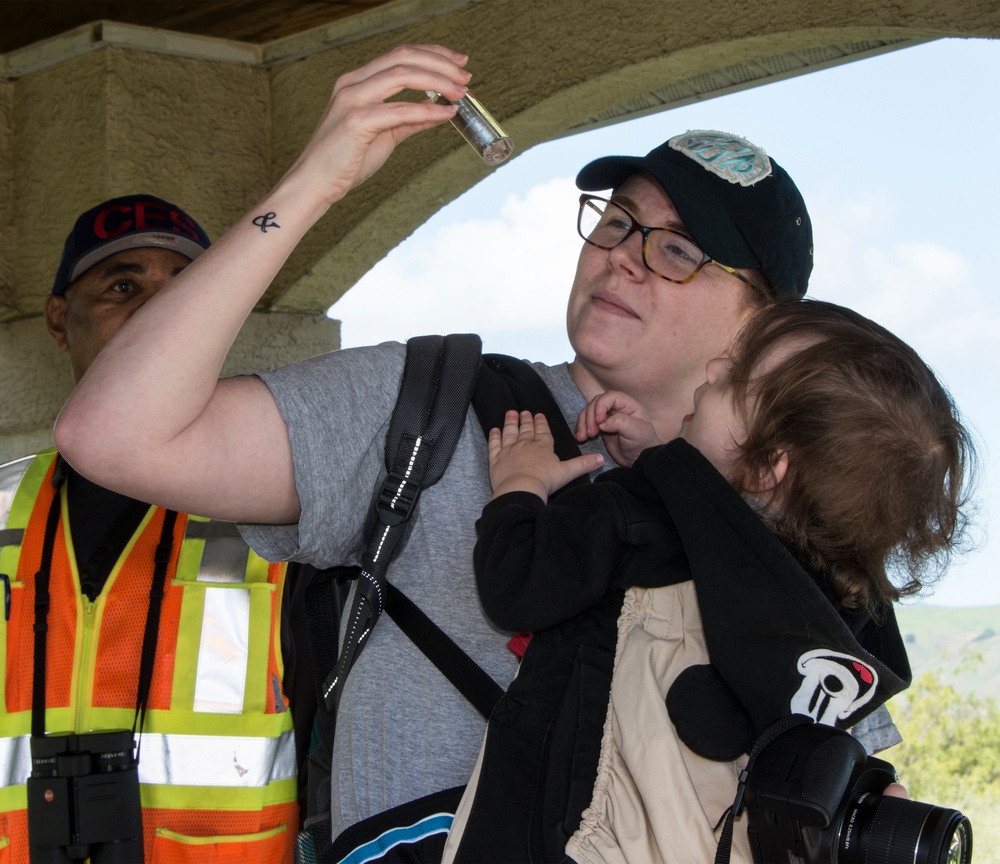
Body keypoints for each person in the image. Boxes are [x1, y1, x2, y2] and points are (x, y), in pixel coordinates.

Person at [51, 44, 896, 857]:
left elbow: (843, 780)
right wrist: (314, 184)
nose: (622, 258)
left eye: (676, 250)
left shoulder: (790, 496)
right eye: (616, 222)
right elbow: (113, 435)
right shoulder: (430, 403)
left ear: (765, 317)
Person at [446, 298, 975, 862]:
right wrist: (666, 457)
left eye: (738, 376)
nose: (715, 370)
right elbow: (731, 544)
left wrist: (519, 485)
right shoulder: (831, 622)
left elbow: (515, 584)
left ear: (770, 464)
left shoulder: (640, 515)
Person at [0, 195, 302, 862]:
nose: (159, 311)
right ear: (58, 320)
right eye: (123, 286)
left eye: (187, 290)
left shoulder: (286, 505)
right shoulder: (2, 507)